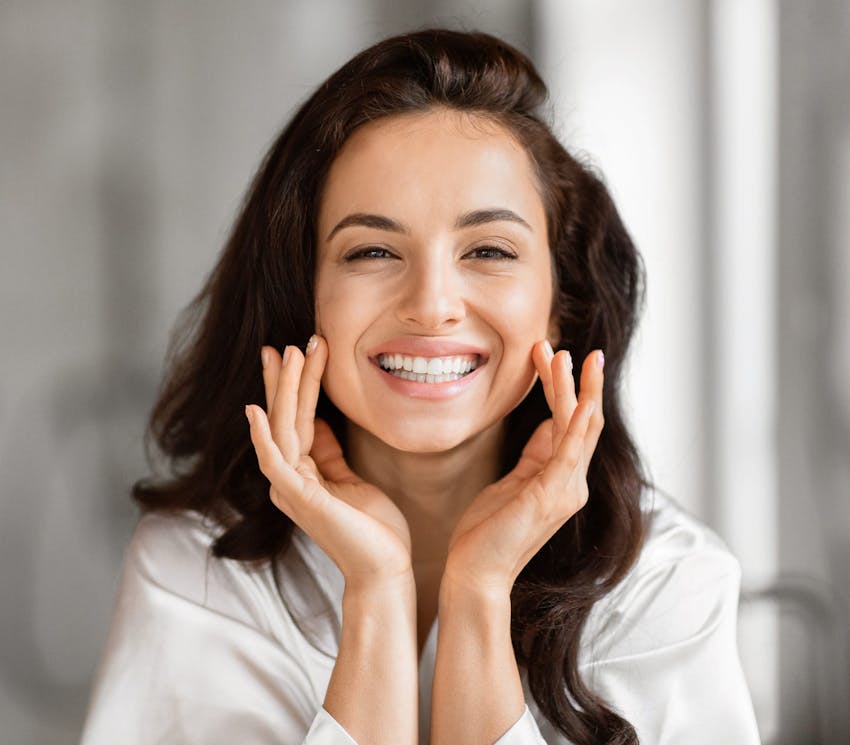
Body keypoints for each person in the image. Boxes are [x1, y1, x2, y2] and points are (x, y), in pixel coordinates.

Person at [80, 28, 761, 745]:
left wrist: (478, 594)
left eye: (489, 250)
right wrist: (375, 590)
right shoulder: (196, 573)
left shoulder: (662, 584)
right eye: (372, 250)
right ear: (301, 297)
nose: (432, 303)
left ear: (561, 307)